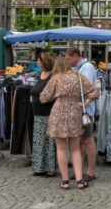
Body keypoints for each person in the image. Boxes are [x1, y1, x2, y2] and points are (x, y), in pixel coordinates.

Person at [40, 56, 100, 190]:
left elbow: (43, 97)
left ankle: (65, 181)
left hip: (58, 111)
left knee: (61, 148)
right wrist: (86, 102)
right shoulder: (78, 77)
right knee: (75, 149)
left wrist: (56, 96)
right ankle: (79, 180)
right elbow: (95, 91)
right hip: (75, 111)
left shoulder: (56, 78)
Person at [66, 47, 99, 184]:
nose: (68, 61)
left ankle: (91, 172)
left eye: (68, 58)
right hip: (80, 109)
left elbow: (87, 88)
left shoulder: (87, 68)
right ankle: (80, 171)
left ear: (75, 56)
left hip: (85, 111)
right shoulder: (79, 68)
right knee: (79, 141)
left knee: (88, 140)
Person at [29, 51, 57, 177]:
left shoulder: (53, 76)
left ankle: (50, 168)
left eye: (39, 60)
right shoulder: (40, 74)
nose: (37, 62)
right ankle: (39, 167)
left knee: (50, 142)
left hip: (49, 113)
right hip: (38, 114)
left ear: (44, 61)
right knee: (39, 142)